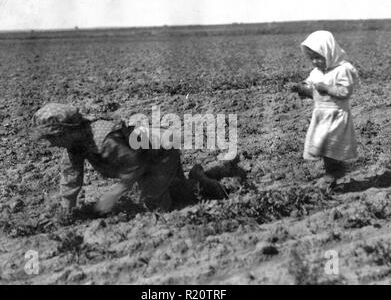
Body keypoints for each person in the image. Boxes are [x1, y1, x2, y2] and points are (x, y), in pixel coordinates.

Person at [32, 103, 245, 224]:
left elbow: (135, 166)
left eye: (52, 138)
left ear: (67, 131)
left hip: (159, 153)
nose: (50, 144)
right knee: (176, 192)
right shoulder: (74, 143)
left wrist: (112, 195)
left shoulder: (104, 139)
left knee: (156, 206)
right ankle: (215, 171)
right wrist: (66, 208)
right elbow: (70, 175)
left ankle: (211, 185)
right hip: (149, 153)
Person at [288, 31, 359, 189]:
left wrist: (326, 88)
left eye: (319, 57)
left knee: (330, 146)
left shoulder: (342, 70)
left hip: (336, 114)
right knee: (322, 145)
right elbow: (313, 91)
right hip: (321, 115)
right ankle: (333, 172)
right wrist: (301, 88)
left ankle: (332, 174)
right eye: (312, 58)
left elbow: (344, 92)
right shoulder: (316, 73)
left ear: (330, 52)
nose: (315, 61)